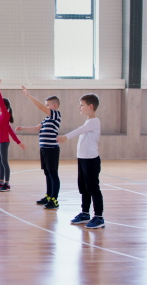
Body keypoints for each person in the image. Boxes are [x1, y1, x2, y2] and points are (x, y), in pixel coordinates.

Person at [58, 94, 105, 229]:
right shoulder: (88, 121)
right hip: (83, 159)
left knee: (93, 188)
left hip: (91, 161)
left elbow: (80, 131)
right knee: (83, 188)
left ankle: (99, 217)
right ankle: (85, 213)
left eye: (82, 105)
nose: (79, 107)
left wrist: (65, 137)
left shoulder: (94, 121)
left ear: (90, 106)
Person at [16, 87, 61, 209]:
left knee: (53, 174)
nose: (46, 107)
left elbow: (40, 107)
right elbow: (37, 128)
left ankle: (54, 199)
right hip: (44, 149)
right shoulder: (47, 118)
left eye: (48, 105)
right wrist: (23, 128)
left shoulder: (55, 114)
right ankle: (48, 196)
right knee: (47, 173)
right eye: (46, 105)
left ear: (55, 105)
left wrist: (28, 96)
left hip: (52, 149)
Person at [0, 79, 25, 192]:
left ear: (4, 106)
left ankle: (7, 184)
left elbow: (1, 102)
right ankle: (1, 182)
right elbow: (10, 131)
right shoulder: (1, 117)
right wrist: (19, 142)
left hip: (4, 142)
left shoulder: (6, 114)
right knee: (0, 160)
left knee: (4, 162)